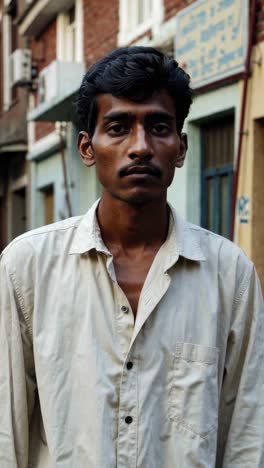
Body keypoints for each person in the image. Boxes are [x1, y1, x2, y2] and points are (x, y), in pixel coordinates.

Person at [0, 46, 263, 468]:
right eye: (119, 127)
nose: (140, 147)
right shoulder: (27, 268)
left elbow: (246, 434)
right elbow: (6, 433)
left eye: (158, 126)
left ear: (180, 147)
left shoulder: (229, 274)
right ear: (88, 148)